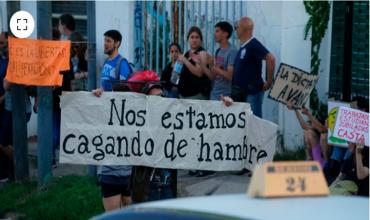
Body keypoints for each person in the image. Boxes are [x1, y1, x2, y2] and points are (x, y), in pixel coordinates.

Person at [92, 30, 133, 212]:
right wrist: (99, 92)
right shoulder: (107, 63)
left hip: (118, 123)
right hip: (106, 120)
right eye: (105, 40)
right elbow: (106, 87)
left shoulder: (122, 64)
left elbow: (126, 91)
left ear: (117, 43)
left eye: (108, 41)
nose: (105, 44)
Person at [231, 17, 275, 118]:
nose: (235, 30)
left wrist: (269, 82)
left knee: (254, 124)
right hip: (243, 94)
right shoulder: (244, 46)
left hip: (252, 93)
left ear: (242, 28)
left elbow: (271, 59)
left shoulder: (253, 44)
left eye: (236, 27)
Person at [200, 21, 237, 101]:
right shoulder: (218, 51)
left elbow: (231, 76)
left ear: (225, 34)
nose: (214, 34)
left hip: (225, 96)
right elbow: (213, 76)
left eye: (217, 31)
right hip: (214, 94)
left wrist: (218, 70)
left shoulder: (232, 51)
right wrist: (202, 64)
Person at [176, 26, 211, 101]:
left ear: (201, 40)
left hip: (196, 96)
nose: (194, 40)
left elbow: (199, 73)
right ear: (188, 39)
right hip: (184, 96)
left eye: (197, 37)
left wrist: (185, 61)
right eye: (192, 37)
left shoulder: (202, 53)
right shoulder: (187, 54)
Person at [286, 102, 326, 167]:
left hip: (322, 164)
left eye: (313, 121)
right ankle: (309, 159)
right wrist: (295, 109)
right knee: (307, 132)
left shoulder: (323, 132)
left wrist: (308, 114)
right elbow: (303, 126)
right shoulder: (313, 130)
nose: (311, 122)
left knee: (309, 133)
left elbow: (321, 129)